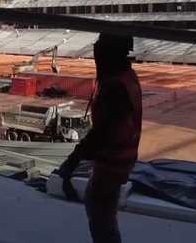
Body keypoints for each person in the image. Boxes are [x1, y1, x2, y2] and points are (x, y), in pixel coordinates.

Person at [57, 33, 142, 243]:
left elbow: (101, 134)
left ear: (108, 54)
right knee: (104, 215)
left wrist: (72, 162)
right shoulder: (127, 77)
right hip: (122, 157)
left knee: (100, 216)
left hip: (112, 161)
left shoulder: (114, 86)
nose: (96, 54)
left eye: (99, 49)